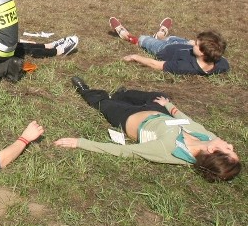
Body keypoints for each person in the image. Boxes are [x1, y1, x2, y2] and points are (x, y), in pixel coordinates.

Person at [55, 77, 240, 182]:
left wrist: (79, 143)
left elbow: (124, 151)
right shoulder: (209, 137)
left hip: (129, 117)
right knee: (161, 96)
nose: (230, 144)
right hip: (158, 113)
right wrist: (169, 106)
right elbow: (187, 120)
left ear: (211, 151)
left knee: (102, 103)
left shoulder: (169, 150)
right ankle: (123, 94)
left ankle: (85, 90)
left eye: (228, 149)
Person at [109, 17, 228, 75]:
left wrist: (135, 57)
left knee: (143, 38)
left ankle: (127, 36)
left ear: (202, 53)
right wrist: (194, 43)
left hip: (163, 49)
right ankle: (160, 35)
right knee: (174, 38)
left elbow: (156, 64)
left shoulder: (183, 66)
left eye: (197, 45)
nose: (194, 44)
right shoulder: (221, 64)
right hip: (181, 44)